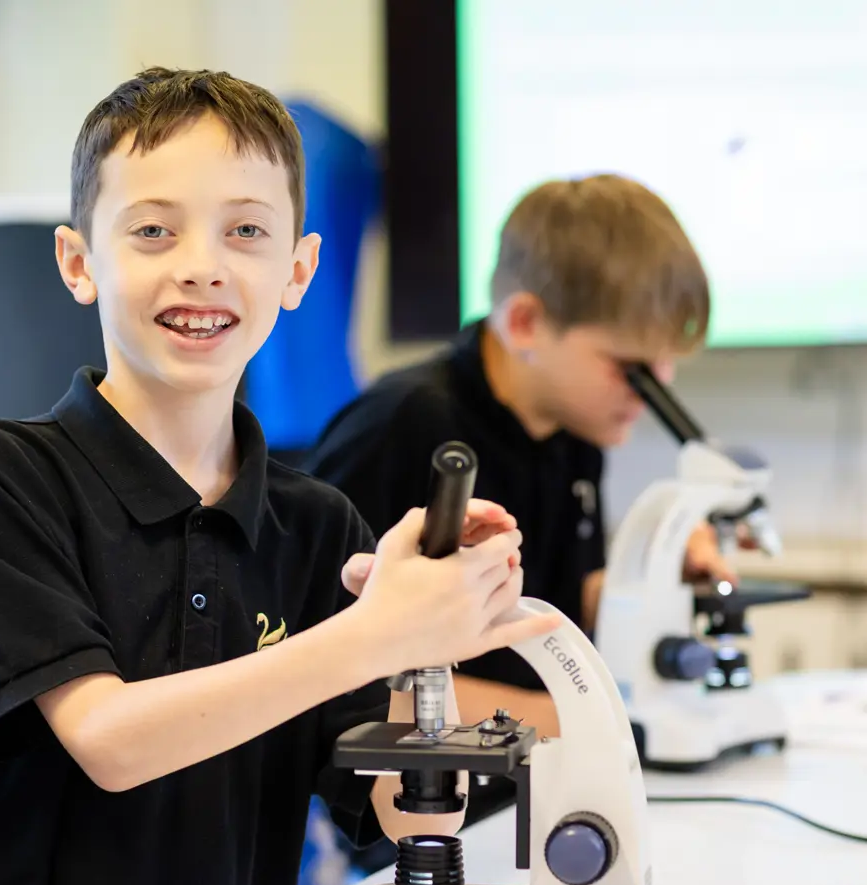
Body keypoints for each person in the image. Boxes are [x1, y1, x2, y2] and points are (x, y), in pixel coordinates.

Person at [0, 68, 559, 885]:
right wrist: (378, 632)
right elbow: (109, 740)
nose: (202, 264)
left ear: (299, 271)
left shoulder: (315, 527)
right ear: (80, 263)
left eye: (246, 231)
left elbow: (394, 814)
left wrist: (434, 654)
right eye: (153, 230)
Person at [307, 173, 737, 778]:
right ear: (528, 324)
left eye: (665, 363)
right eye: (632, 369)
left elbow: (546, 601)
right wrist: (575, 714)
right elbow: (329, 670)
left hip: (529, 774)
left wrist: (655, 570)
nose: (657, 389)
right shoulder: (401, 428)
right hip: (414, 804)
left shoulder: (571, 433)